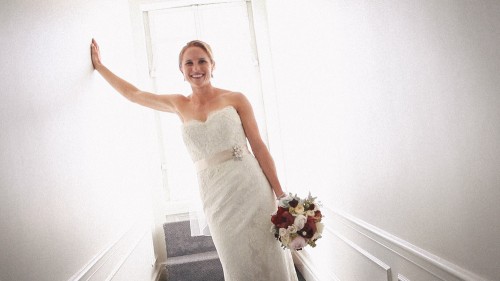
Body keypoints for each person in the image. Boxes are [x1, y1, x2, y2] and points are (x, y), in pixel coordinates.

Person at [90, 38, 298, 280]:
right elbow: (134, 94)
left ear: (213, 65)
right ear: (181, 70)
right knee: (235, 261)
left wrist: (281, 194)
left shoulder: (235, 98)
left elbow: (259, 147)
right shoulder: (178, 104)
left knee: (267, 254)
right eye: (189, 63)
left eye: (202, 61)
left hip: (251, 188)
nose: (196, 68)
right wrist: (100, 66)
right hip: (215, 195)